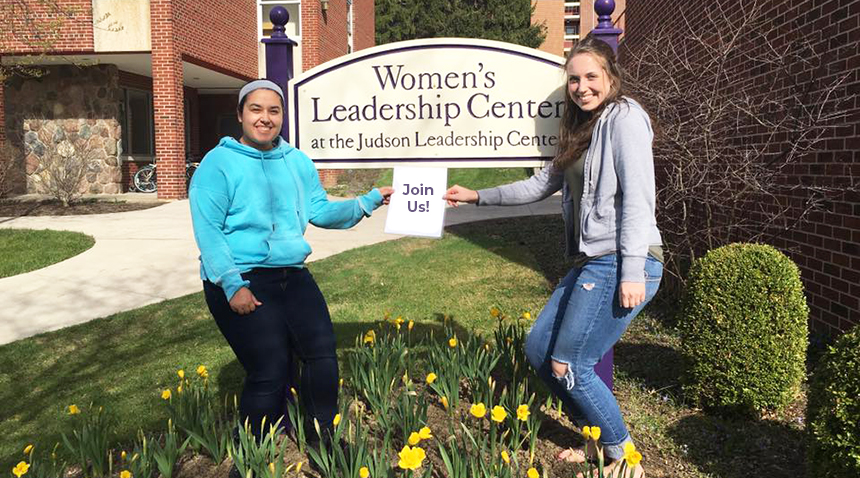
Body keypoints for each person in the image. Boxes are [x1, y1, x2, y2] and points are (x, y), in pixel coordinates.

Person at [444, 36, 662, 476]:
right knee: (540, 347)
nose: (582, 87)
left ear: (611, 77)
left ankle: (625, 461)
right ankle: (594, 437)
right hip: (592, 261)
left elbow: (639, 199)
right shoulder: (581, 128)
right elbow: (539, 185)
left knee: (571, 363)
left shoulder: (625, 118)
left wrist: (631, 271)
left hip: (621, 259)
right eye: (574, 80)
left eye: (591, 77)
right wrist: (476, 196)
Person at [189, 79, 393, 442]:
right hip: (239, 276)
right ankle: (252, 451)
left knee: (322, 357)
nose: (265, 118)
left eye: (274, 110)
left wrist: (367, 201)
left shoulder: (297, 161)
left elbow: (321, 210)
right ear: (239, 114)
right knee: (269, 368)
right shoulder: (217, 164)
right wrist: (233, 285)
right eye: (256, 109)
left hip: (292, 275)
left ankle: (322, 440)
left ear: (283, 116)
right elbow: (209, 232)